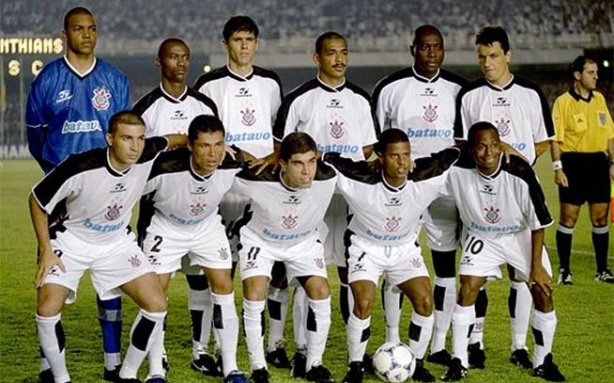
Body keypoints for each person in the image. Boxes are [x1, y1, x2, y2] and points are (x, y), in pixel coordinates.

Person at [30, 112, 185, 383]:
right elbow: (37, 200)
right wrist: (46, 250)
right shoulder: (80, 166)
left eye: (139, 139)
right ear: (110, 139)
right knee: (46, 310)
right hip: (71, 240)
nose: (135, 146)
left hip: (116, 244)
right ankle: (61, 378)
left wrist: (196, 143)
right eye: (127, 139)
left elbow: (171, 140)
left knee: (157, 305)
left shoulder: (146, 152)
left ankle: (126, 374)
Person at [25, 7, 130, 382]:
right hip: (59, 198)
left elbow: (124, 136)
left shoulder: (114, 80)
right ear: (64, 34)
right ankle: (47, 365)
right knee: (51, 278)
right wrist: (56, 178)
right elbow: (36, 137)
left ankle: (114, 363)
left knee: (110, 279)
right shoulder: (47, 80)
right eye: (78, 29)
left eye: (92, 29)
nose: (87, 35)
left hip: (106, 195)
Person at [269, 31, 378, 376]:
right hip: (309, 199)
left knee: (350, 271)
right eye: (331, 53)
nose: (339, 59)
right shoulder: (299, 99)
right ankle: (302, 349)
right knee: (306, 271)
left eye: (344, 52)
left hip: (348, 200)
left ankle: (353, 353)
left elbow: (366, 151)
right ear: (317, 57)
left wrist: (343, 163)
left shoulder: (361, 99)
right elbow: (280, 150)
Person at [323, 128, 460, 383]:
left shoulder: (424, 176)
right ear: (380, 157)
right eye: (395, 156)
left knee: (424, 302)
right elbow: (327, 159)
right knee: (363, 304)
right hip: (366, 247)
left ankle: (416, 363)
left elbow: (453, 153)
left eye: (406, 155)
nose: (402, 162)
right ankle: (355, 366)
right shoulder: (361, 178)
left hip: (404, 249)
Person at [453, 26, 554, 370]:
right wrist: (494, 154)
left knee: (522, 278)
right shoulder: (469, 96)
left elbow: (543, 139)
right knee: (474, 279)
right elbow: (460, 144)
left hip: (519, 192)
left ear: (508, 55)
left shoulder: (531, 93)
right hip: (480, 196)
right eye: (481, 57)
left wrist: (520, 161)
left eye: (494, 55)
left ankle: (519, 346)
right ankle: (474, 342)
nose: (487, 63)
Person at [193, 16, 286, 369]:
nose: (244, 46)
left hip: (263, 188)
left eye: (249, 39)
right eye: (237, 40)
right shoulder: (209, 84)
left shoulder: (270, 83)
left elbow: (277, 133)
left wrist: (271, 158)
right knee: (220, 268)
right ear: (225, 45)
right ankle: (213, 348)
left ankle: (272, 343)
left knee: (270, 267)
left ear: (256, 44)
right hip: (223, 187)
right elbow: (202, 133)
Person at [371, 25, 467, 364]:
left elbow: (465, 143)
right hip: (402, 188)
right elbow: (374, 143)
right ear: (413, 48)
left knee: (445, 268)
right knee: (396, 262)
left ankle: (438, 344)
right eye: (425, 47)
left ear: (444, 50)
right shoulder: (390, 88)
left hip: (444, 190)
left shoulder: (459, 90)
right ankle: (392, 340)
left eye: (437, 47)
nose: (431, 53)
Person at [441, 122, 565, 382]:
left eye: (494, 145)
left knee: (542, 291)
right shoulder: (457, 166)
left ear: (501, 145)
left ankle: (544, 361)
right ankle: (458, 360)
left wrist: (536, 267)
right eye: (481, 147)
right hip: (482, 235)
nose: (489, 153)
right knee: (467, 288)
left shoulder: (519, 171)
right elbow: (422, 169)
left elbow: (538, 221)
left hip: (519, 235)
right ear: (471, 150)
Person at [132, 38, 221, 376]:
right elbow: (136, 157)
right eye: (173, 57)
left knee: (200, 280)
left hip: (199, 210)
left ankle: (201, 351)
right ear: (159, 61)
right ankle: (161, 351)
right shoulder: (146, 107)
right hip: (159, 210)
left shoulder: (204, 104)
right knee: (158, 286)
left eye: (185, 57)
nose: (181, 63)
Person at [139, 115, 250, 383]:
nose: (213, 154)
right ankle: (156, 369)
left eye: (218, 144)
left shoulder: (231, 162)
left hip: (206, 227)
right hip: (166, 227)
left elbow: (258, 167)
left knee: (224, 287)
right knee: (156, 296)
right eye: (204, 146)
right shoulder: (164, 169)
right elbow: (127, 184)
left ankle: (231, 368)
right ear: (190, 146)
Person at [234, 132, 337, 383]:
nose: (307, 171)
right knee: (255, 291)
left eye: (311, 161)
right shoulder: (256, 177)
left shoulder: (328, 177)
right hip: (261, 240)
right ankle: (259, 368)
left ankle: (314, 364)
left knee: (320, 291)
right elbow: (223, 164)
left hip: (303, 242)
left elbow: (361, 169)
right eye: (298, 163)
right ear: (282, 164)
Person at [551, 56, 614, 285]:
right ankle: (565, 270)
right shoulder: (562, 103)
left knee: (600, 218)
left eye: (596, 72)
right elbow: (555, 140)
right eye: (591, 72)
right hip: (573, 164)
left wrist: (613, 162)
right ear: (578, 75)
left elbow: (609, 135)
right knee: (568, 218)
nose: (596, 77)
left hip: (598, 164)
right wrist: (558, 168)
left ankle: (602, 270)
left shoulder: (599, 100)